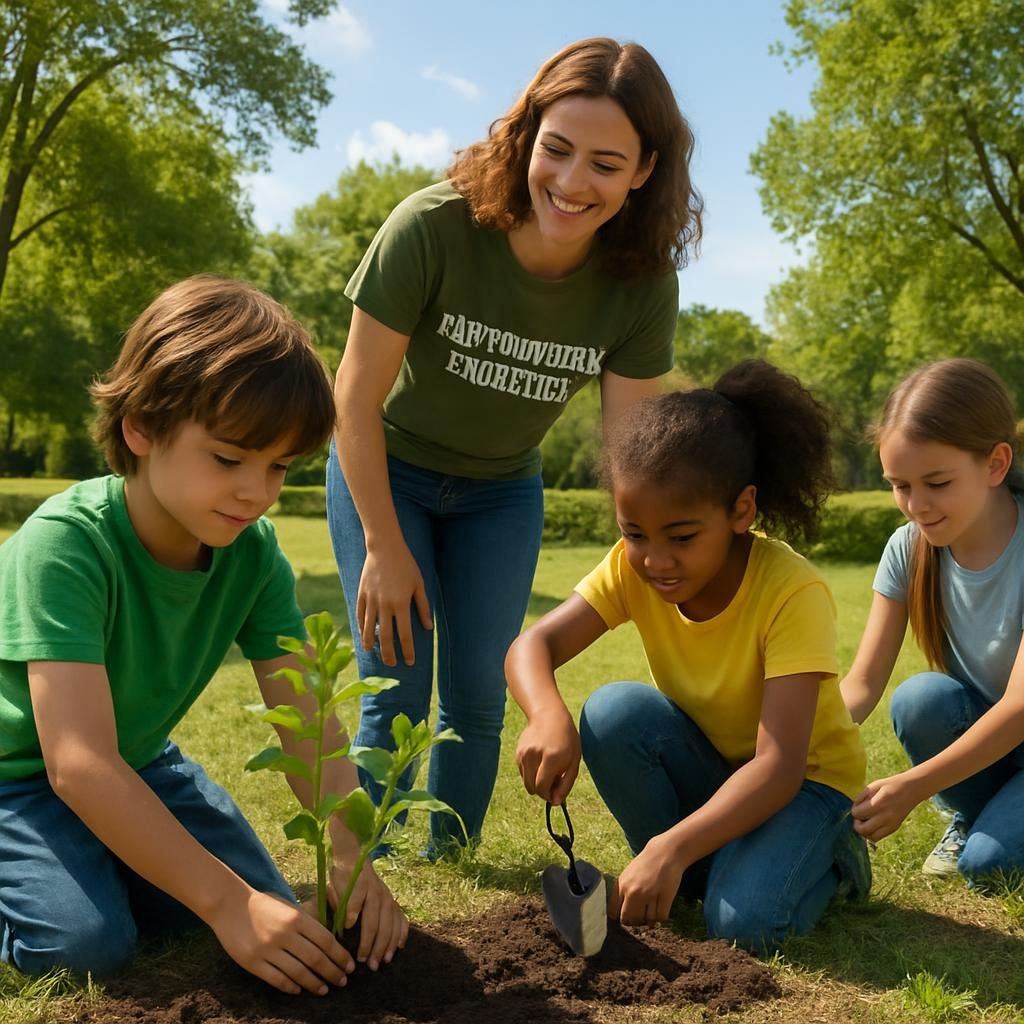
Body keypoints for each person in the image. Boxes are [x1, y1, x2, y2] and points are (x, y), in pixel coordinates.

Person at [329, 37, 703, 855]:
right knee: (395, 683)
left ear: (644, 171)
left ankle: (448, 857)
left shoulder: (642, 284)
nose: (572, 183)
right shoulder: (432, 227)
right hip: (387, 470)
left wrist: (677, 548)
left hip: (501, 492)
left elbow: (632, 453)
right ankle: (372, 864)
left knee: (477, 691)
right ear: (527, 132)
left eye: (606, 164)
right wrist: (384, 549)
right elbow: (351, 402)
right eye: (558, 149)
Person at [0, 276, 407, 991]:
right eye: (228, 458)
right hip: (17, 781)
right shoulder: (65, 545)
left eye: (278, 465)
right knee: (86, 944)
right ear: (142, 428)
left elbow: (309, 721)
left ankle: (108, 858)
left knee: (270, 906)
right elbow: (75, 763)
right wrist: (222, 901)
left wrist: (351, 853)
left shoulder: (253, 554)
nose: (256, 490)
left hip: (141, 766)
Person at [507, 360, 870, 951]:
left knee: (741, 925)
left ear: (741, 511)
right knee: (614, 711)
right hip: (718, 771)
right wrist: (547, 714)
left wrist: (668, 845)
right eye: (634, 532)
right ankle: (705, 865)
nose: (655, 560)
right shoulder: (634, 567)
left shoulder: (790, 592)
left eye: (681, 537)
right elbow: (533, 645)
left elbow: (779, 768)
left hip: (805, 786)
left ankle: (837, 858)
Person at [841, 358, 1024, 884]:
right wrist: (784, 747)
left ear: (996, 464)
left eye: (937, 482)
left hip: (1014, 723)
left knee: (989, 867)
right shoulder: (908, 549)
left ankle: (988, 828)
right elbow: (862, 683)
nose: (916, 505)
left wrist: (913, 787)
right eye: (900, 485)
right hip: (990, 742)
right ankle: (976, 815)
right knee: (920, 699)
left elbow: (1017, 707)